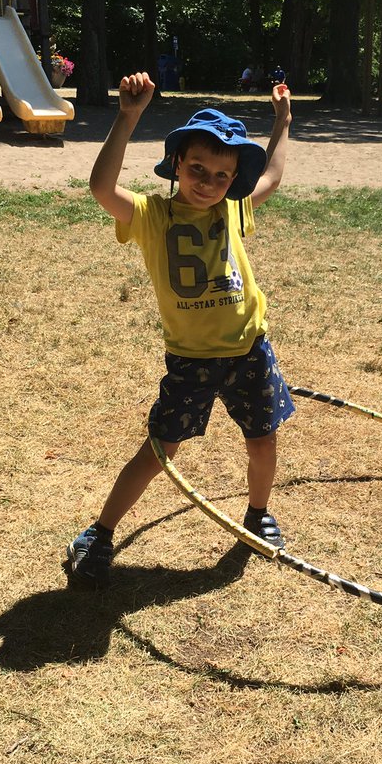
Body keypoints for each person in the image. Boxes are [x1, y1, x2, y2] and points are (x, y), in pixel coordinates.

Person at [65, 71, 294, 589]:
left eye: (220, 175)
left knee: (262, 439)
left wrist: (281, 122)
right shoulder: (151, 214)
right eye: (197, 169)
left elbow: (273, 177)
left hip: (249, 350)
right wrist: (127, 118)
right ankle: (99, 534)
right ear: (175, 165)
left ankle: (258, 514)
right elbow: (101, 187)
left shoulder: (233, 208)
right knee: (160, 450)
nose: (208, 183)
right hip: (191, 358)